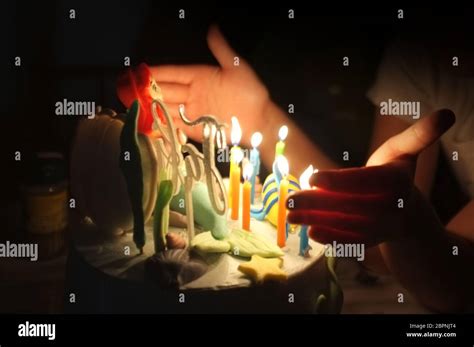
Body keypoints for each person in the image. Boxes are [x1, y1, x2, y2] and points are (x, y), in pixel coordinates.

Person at [151, 26, 474, 312]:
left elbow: (457, 287)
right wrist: (260, 118)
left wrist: (412, 226)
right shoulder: (417, 53)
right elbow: (376, 249)